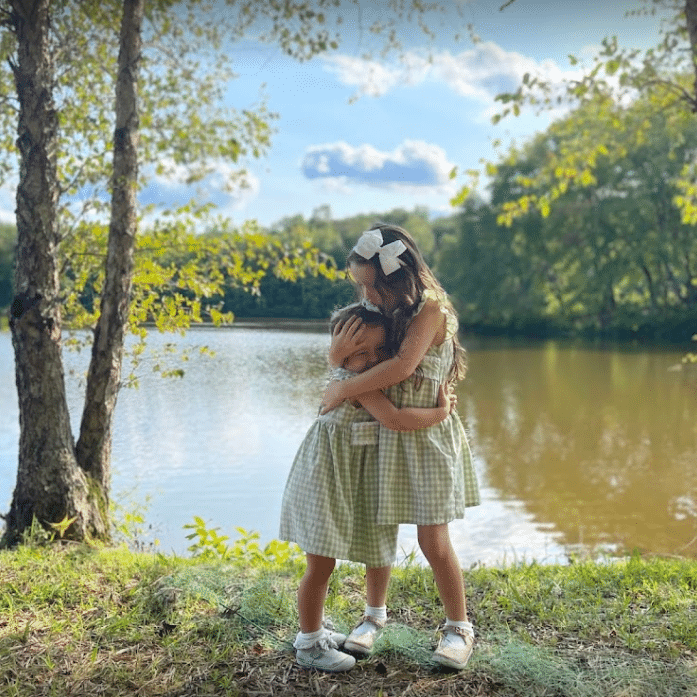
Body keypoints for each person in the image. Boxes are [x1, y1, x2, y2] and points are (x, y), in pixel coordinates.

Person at [320, 224, 481, 670]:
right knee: (377, 529)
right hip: (386, 434)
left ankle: (458, 628)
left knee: (433, 537)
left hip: (427, 438)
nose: (367, 296)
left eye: (372, 286)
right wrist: (339, 365)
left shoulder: (431, 309)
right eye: (361, 287)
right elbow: (355, 357)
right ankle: (373, 617)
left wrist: (342, 383)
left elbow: (400, 367)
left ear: (398, 279)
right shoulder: (386, 313)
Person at [279, 302, 458, 673]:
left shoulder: (361, 379)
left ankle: (365, 617)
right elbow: (395, 418)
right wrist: (441, 414)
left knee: (376, 546)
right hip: (326, 477)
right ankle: (309, 642)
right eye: (361, 352)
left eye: (380, 351)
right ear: (340, 351)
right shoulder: (349, 384)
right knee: (321, 563)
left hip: (359, 474)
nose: (372, 360)